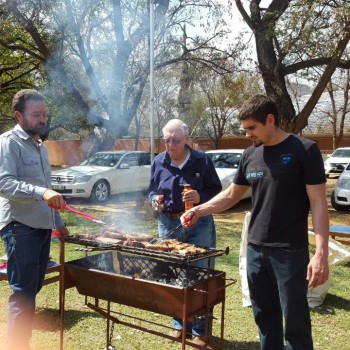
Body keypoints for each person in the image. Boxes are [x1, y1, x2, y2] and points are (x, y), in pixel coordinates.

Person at [181, 95, 329, 350]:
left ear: (270, 120)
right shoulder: (250, 154)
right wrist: (199, 211)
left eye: (251, 128)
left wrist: (321, 252)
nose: (247, 134)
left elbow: (318, 202)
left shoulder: (304, 150)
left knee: (295, 325)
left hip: (289, 252)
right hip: (255, 249)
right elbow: (231, 195)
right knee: (264, 319)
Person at [0, 89, 69, 350]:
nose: (43, 119)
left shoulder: (40, 146)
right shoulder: (8, 142)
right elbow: (4, 184)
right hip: (20, 227)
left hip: (41, 228)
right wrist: (43, 192)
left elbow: (46, 188)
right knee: (23, 293)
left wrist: (58, 222)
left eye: (44, 114)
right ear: (19, 115)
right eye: (36, 114)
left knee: (32, 290)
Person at [148, 118, 222, 346]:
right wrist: (154, 202)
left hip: (199, 223)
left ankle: (201, 331)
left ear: (187, 139)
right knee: (173, 274)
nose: (170, 145)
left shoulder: (202, 160)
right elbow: (151, 191)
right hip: (169, 224)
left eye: (176, 140)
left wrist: (201, 197)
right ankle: (180, 325)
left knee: (200, 276)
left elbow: (217, 191)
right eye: (166, 140)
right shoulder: (158, 162)